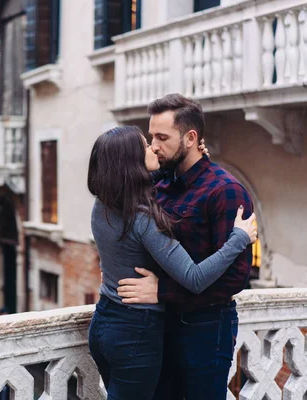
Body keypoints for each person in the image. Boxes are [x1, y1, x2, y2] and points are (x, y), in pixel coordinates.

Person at [86, 125, 256, 400]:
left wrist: (195, 163)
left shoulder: (103, 203)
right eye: (145, 145)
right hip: (135, 333)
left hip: (103, 325)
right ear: (131, 163)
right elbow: (195, 277)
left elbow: (151, 175)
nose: (153, 147)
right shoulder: (142, 218)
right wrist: (238, 238)